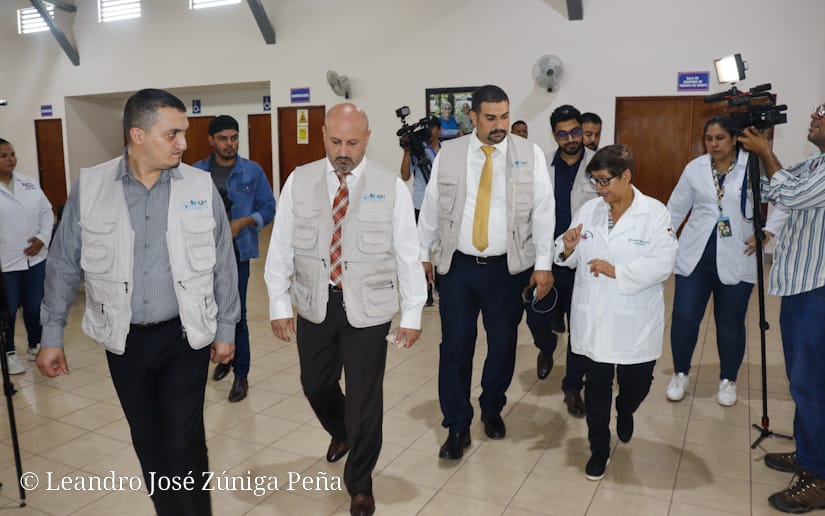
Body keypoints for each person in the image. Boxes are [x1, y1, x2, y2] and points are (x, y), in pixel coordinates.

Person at [38, 88, 240, 516]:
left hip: (184, 336)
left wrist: (226, 328)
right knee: (148, 441)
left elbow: (224, 262)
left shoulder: (199, 185)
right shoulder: (92, 187)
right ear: (138, 135)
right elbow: (63, 263)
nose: (183, 143)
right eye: (172, 134)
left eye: (184, 132)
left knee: (183, 441)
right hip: (124, 341)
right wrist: (51, 334)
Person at [265, 103, 426, 516]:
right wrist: (279, 303)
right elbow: (280, 244)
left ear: (367, 138)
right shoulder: (299, 180)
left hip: (369, 308)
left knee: (364, 400)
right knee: (315, 384)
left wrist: (412, 314)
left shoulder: (390, 186)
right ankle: (342, 431)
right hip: (314, 302)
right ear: (322, 134)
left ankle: (360, 483)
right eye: (336, 141)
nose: (343, 151)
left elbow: (408, 254)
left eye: (352, 143)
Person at [418, 84, 555, 459]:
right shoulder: (450, 153)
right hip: (459, 268)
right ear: (473, 117)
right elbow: (431, 206)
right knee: (455, 347)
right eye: (491, 118)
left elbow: (544, 211)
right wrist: (422, 254)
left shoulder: (529, 154)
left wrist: (543, 265)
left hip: (507, 270)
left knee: (503, 344)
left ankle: (492, 406)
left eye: (505, 117)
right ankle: (457, 425)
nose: (500, 125)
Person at [555, 144, 678, 480]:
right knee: (596, 388)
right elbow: (567, 256)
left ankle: (625, 409)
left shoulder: (654, 213)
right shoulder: (589, 210)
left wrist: (618, 272)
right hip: (594, 316)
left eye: (604, 181)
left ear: (626, 176)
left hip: (634, 318)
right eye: (594, 181)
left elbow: (664, 262)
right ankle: (599, 448)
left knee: (637, 384)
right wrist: (567, 247)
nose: (599, 189)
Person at [665, 116, 787, 406]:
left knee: (730, 323)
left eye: (720, 138)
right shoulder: (695, 168)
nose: (714, 144)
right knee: (684, 318)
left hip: (738, 255)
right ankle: (680, 373)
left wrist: (768, 231)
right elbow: (674, 210)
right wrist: (663, 244)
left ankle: (728, 380)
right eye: (709, 139)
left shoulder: (753, 167)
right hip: (695, 257)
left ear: (734, 139)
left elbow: (784, 198)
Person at [739, 104, 825, 514]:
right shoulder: (814, 164)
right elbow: (775, 188)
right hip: (801, 287)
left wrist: (765, 151)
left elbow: (789, 193)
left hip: (819, 291)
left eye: (823, 114)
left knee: (813, 385)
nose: (814, 117)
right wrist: (757, 155)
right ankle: (810, 453)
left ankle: (819, 476)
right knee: (803, 382)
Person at [194, 115, 275, 403]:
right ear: (211, 140)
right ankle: (223, 358)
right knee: (206, 311)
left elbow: (269, 208)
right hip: (202, 256)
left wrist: (243, 222)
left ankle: (241, 374)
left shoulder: (252, 171)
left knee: (236, 314)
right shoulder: (196, 173)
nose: (229, 144)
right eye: (223, 138)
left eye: (234, 137)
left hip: (238, 253)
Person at [525, 104, 597, 419]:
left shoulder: (598, 165)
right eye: (563, 134)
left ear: (582, 130)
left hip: (583, 262)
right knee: (536, 317)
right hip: (546, 260)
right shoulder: (541, 166)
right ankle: (546, 346)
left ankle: (572, 387)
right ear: (554, 135)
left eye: (575, 131)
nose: (571, 139)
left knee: (579, 329)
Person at [0, 138, 53, 375]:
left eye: (12, 154)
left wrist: (42, 238)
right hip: (5, 262)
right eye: (4, 156)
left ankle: (35, 345)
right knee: (8, 310)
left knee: (34, 306)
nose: (11, 159)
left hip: (35, 258)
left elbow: (46, 212)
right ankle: (8, 353)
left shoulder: (29, 182)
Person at [400, 115, 441, 306]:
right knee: (419, 251)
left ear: (439, 130)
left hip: (442, 206)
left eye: (432, 128)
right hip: (420, 204)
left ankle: (443, 286)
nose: (428, 132)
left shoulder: (445, 151)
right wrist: (407, 152)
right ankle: (425, 291)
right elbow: (405, 175)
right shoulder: (418, 150)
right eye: (427, 128)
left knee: (442, 248)